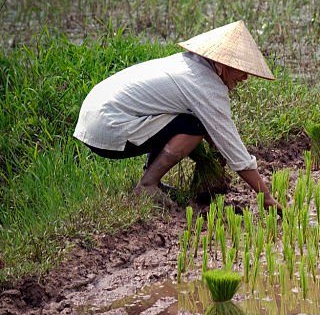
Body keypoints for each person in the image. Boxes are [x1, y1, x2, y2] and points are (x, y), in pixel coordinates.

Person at [74, 21, 283, 211]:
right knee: (194, 126)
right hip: (108, 128)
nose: (245, 77)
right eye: (241, 69)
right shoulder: (206, 85)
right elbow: (234, 150)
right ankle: (147, 184)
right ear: (221, 64)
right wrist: (266, 197)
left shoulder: (187, 63)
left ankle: (152, 179)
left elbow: (216, 133)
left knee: (188, 122)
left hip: (93, 118)